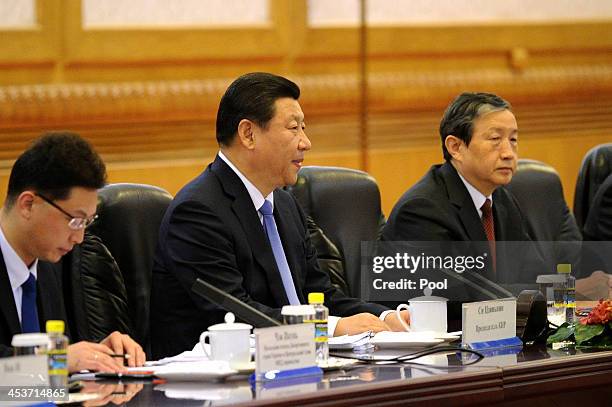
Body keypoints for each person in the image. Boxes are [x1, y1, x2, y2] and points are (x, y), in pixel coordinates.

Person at [150, 72, 407, 359]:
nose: (305, 142)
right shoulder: (198, 211)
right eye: (293, 128)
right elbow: (236, 312)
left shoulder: (284, 205)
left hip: (297, 366)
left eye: (304, 128)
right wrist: (331, 328)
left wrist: (386, 317)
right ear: (248, 134)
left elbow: (320, 295)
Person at [382, 93, 542, 324]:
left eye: (513, 140)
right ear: (455, 147)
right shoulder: (422, 210)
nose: (508, 152)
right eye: (495, 139)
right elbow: (455, 299)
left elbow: (534, 276)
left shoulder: (502, 200)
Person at [0, 132, 146, 372]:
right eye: (75, 221)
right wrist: (60, 361)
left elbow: (42, 382)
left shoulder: (51, 264)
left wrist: (97, 355)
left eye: (87, 222)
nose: (79, 239)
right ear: (28, 204)